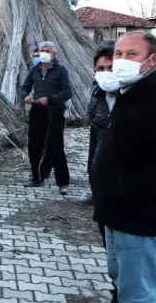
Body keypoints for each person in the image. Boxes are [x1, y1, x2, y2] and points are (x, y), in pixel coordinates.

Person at [91, 31, 156, 303]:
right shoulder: (128, 91)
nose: (121, 60)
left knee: (138, 290)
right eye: (119, 53)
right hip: (114, 209)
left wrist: (127, 190)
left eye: (132, 54)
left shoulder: (151, 98)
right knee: (121, 279)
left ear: (152, 60)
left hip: (137, 215)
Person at [20, 41, 73, 194]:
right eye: (41, 50)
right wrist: (26, 97)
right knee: (34, 146)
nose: (43, 52)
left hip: (54, 112)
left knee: (56, 146)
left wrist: (49, 98)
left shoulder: (61, 70)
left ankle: (63, 182)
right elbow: (24, 87)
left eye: (47, 50)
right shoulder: (35, 70)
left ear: (53, 54)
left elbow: (67, 92)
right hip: (37, 111)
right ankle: (37, 178)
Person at [79, 40, 116, 207]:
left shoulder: (132, 94)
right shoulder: (97, 87)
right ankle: (96, 195)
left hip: (114, 135)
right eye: (101, 69)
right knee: (93, 164)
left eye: (111, 69)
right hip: (98, 129)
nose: (106, 73)